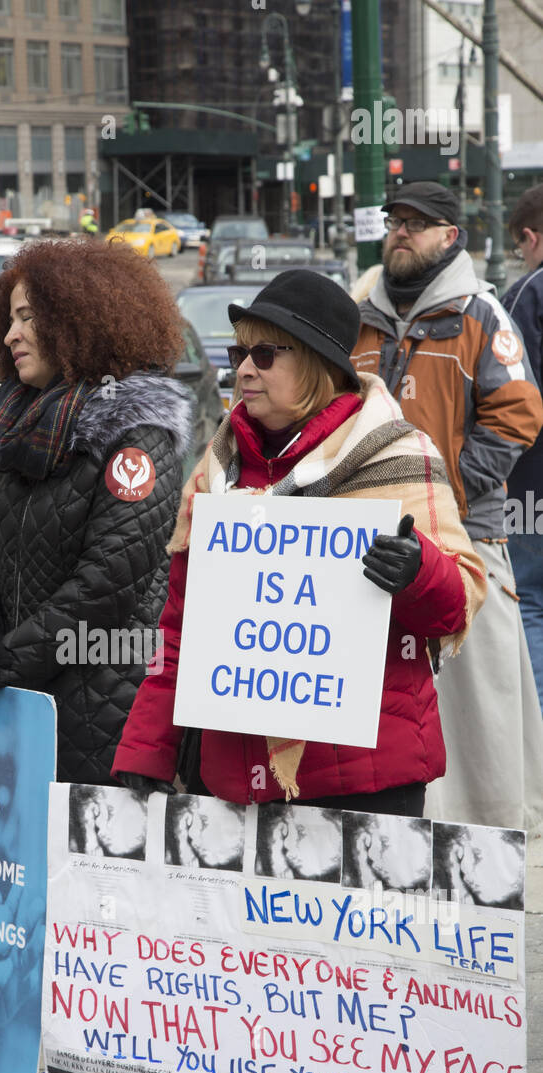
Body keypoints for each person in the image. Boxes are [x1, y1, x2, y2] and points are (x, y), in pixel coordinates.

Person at [112, 270, 487, 814]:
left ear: (316, 364)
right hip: (235, 781)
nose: (243, 369)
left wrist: (416, 572)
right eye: (239, 354)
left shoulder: (397, 455)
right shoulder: (215, 471)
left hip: (369, 778)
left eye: (264, 355)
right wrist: (148, 749)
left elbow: (458, 604)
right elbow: (181, 625)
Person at [0, 236, 193, 783]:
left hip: (99, 713)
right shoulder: (17, 426)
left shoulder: (138, 438)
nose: (9, 335)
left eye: (29, 319)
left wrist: (1, 662)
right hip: (17, 704)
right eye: (9, 319)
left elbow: (105, 585)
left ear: (80, 321)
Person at [350, 182, 543, 830]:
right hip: (371, 537)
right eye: (395, 220)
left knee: (476, 700)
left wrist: (451, 487)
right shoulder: (361, 314)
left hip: (468, 536)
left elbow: (520, 411)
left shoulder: (480, 312)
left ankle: (490, 832)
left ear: (450, 236)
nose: (401, 231)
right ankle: (405, 822)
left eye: (418, 223)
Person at [503, 184, 543, 709]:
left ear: (531, 238)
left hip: (532, 487)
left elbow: (513, 404)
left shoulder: (525, 295)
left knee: (529, 598)